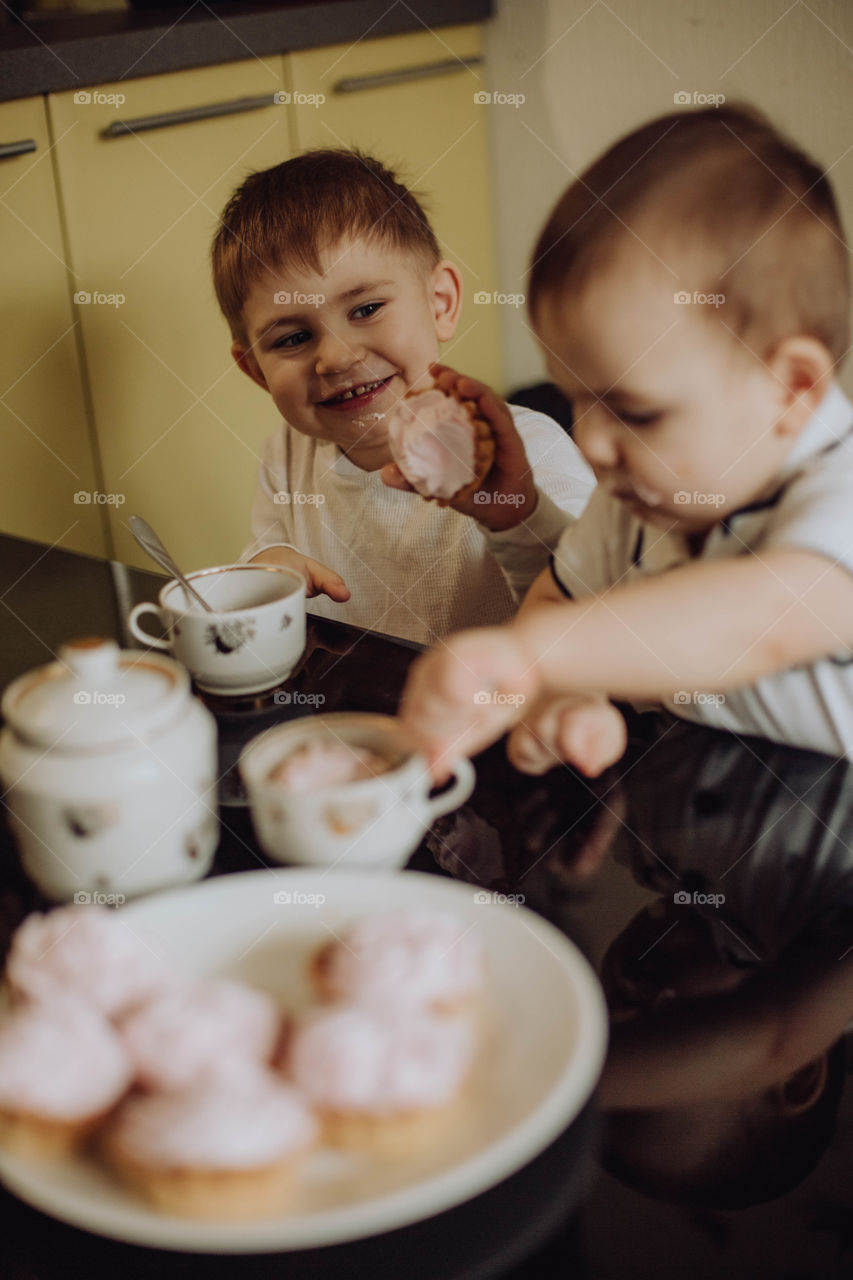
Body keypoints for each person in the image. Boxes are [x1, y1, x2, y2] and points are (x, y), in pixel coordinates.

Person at [398, 103, 853, 773]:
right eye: (577, 400)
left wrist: (527, 657)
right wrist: (563, 694)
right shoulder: (640, 499)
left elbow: (761, 623)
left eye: (635, 412)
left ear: (790, 387)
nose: (591, 444)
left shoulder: (837, 497)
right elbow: (561, 596)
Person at [210, 149, 594, 645]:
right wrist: (265, 568)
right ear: (256, 371)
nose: (337, 357)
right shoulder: (285, 456)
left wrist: (518, 515)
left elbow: (601, 602)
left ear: (441, 304)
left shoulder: (529, 450)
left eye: (366, 308)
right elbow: (269, 551)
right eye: (292, 339)